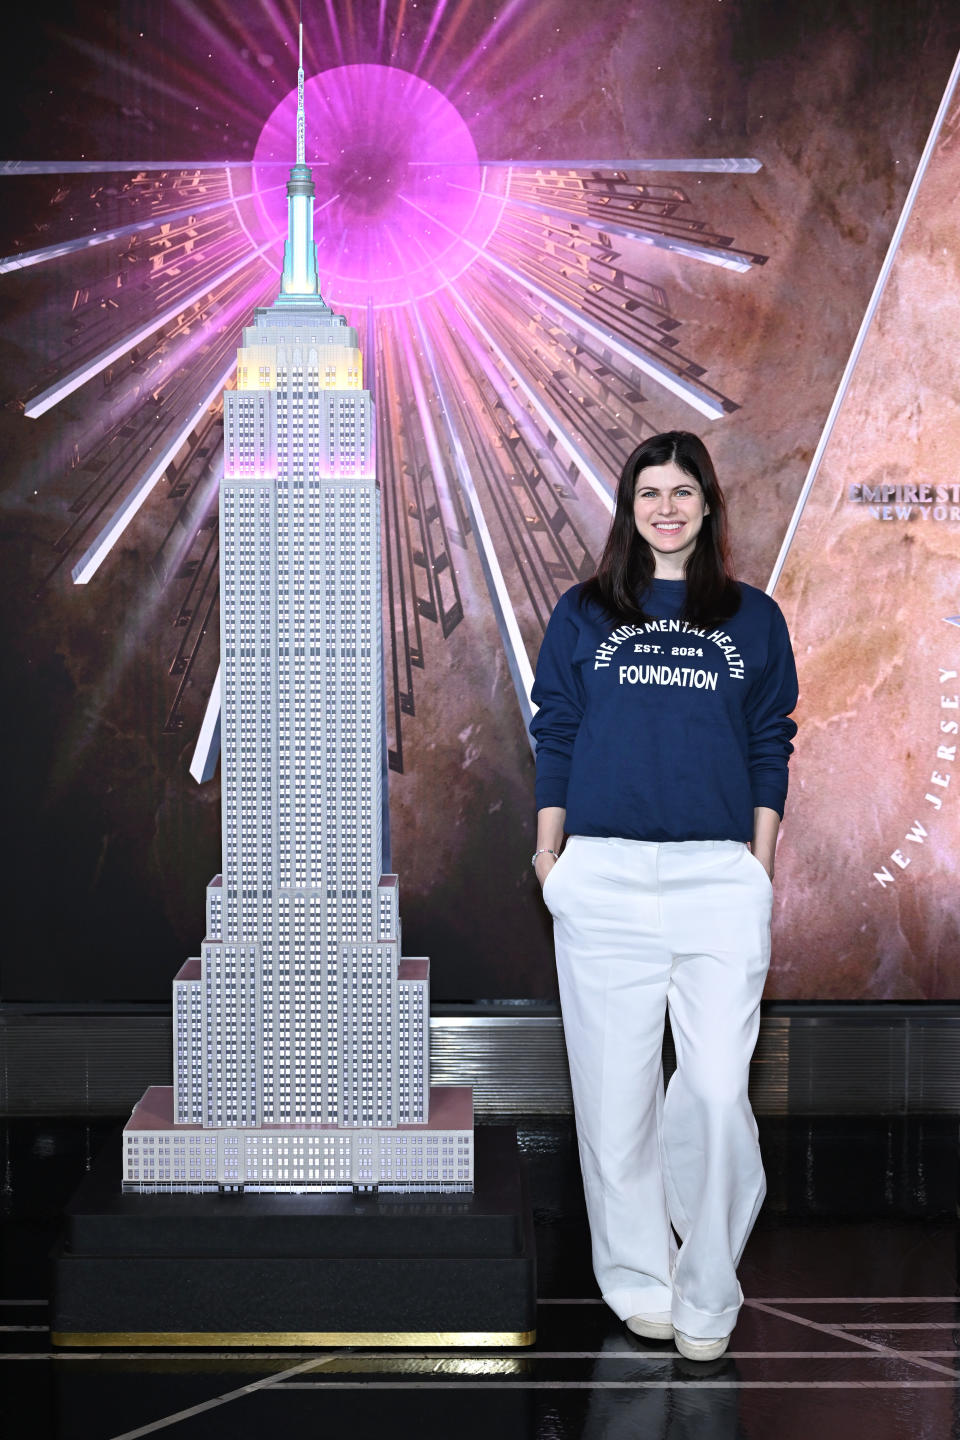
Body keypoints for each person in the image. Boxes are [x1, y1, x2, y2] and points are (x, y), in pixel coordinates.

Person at [530, 431, 798, 1362]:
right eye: (651, 491)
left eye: (685, 491)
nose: (668, 507)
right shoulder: (584, 613)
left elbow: (771, 737)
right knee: (614, 1106)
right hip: (601, 876)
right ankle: (640, 1277)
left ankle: (709, 1283)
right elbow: (556, 728)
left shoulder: (753, 619)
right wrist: (548, 857)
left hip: (717, 880)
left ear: (709, 506)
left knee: (719, 1094)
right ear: (629, 507)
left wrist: (758, 862)